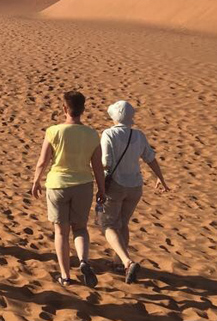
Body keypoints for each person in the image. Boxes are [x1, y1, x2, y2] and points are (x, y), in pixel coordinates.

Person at [30, 91, 105, 287]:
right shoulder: (91, 134)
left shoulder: (53, 131)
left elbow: (43, 161)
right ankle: (83, 261)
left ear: (65, 109)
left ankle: (65, 276)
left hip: (57, 185)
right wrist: (102, 189)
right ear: (83, 110)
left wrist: (36, 180)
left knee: (61, 232)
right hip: (83, 185)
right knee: (80, 228)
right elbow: (97, 166)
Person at [99, 100, 171, 284]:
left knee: (108, 225)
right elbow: (150, 158)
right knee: (123, 223)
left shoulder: (109, 133)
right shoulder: (139, 135)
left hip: (115, 184)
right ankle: (117, 262)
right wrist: (161, 178)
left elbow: (105, 162)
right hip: (135, 186)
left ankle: (126, 261)